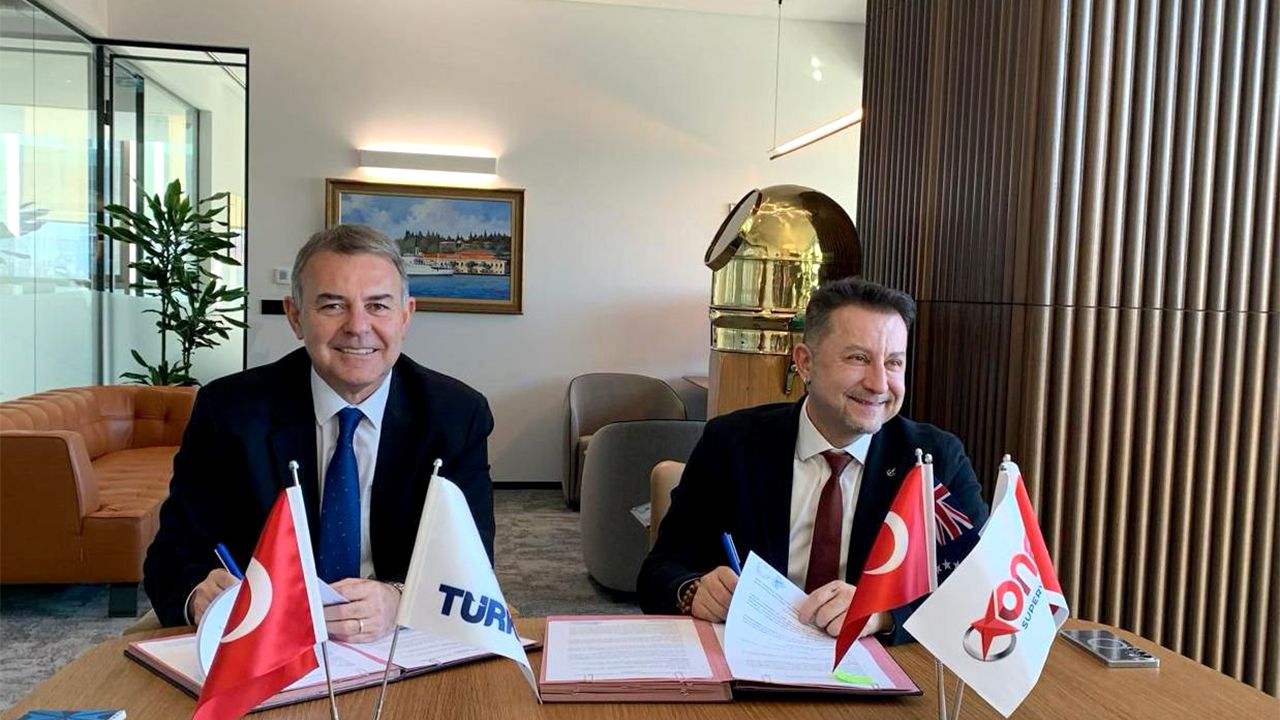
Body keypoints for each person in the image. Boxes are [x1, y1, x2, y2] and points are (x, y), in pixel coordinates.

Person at [143, 224, 495, 642]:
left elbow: (471, 566)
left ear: (405, 316)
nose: (358, 326)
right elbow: (172, 558)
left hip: (397, 640)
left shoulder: (456, 415)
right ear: (295, 316)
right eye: (332, 306)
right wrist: (198, 596)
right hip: (263, 638)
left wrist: (399, 598)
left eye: (378, 306)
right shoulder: (228, 412)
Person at [637, 277, 988, 645]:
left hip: (871, 667)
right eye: (858, 358)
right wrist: (693, 591)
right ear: (805, 362)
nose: (879, 383)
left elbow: (980, 588)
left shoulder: (933, 458)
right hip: (748, 661)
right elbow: (659, 572)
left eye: (893, 362)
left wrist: (882, 615)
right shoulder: (731, 443)